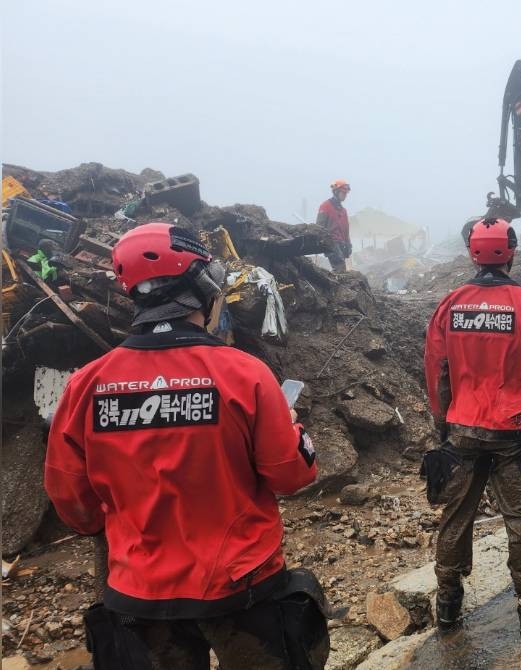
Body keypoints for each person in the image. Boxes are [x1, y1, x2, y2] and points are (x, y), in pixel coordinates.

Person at [44, 222, 331, 669]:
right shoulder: (245, 374)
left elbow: (72, 503)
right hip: (241, 586)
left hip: (140, 593)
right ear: (205, 286)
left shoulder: (86, 385)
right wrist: (292, 432)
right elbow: (291, 475)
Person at [422, 217, 521, 641]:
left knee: (456, 515)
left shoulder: (450, 304)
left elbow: (437, 371)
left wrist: (443, 425)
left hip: (463, 428)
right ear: (511, 251)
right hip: (516, 429)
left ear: (471, 251)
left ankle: (448, 608)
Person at [316, 179, 352, 271]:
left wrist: (348, 244)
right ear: (336, 192)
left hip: (341, 244)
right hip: (331, 242)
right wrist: (323, 243)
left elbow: (345, 230)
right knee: (340, 267)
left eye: (346, 194)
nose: (345, 196)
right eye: (343, 193)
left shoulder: (343, 211)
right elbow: (319, 227)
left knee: (341, 268)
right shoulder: (325, 206)